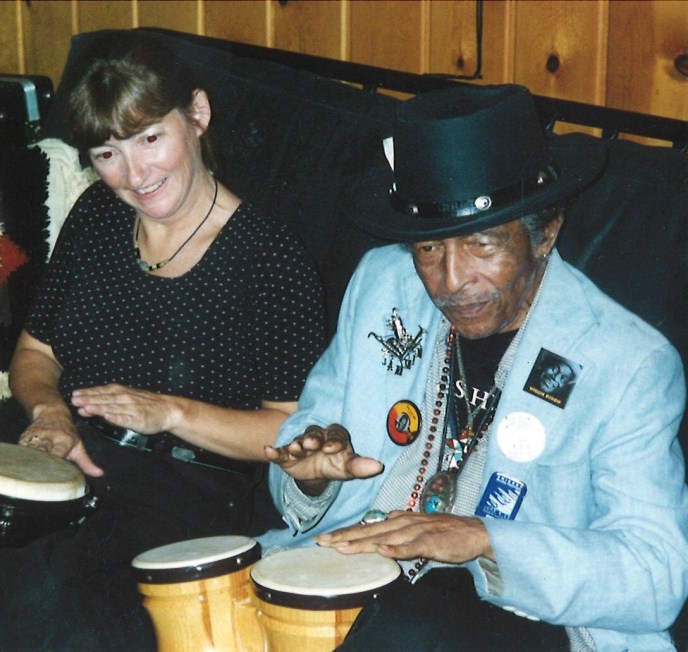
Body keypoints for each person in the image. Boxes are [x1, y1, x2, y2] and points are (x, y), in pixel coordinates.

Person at [0, 29, 324, 650]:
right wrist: (50, 413)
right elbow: (34, 354)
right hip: (61, 457)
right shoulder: (96, 216)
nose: (135, 175)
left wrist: (169, 412)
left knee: (37, 595)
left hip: (177, 493)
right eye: (107, 153)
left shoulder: (271, 259)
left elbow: (287, 431)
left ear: (196, 114)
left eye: (150, 139)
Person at [262, 84, 688, 651]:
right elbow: (304, 442)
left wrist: (486, 540)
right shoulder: (382, 285)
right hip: (359, 582)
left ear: (545, 232)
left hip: (523, 616)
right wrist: (311, 477)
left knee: (418, 624)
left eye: (482, 245)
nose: (451, 280)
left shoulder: (627, 364)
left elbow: (656, 574)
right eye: (428, 249)